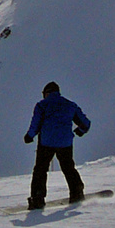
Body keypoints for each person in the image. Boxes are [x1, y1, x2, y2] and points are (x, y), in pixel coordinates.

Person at [24, 81, 90, 210]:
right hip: (65, 143)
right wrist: (79, 132)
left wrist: (29, 136)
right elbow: (85, 123)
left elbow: (35, 124)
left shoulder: (42, 105)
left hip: (46, 143)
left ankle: (38, 199)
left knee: (40, 170)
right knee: (68, 168)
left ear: (47, 93)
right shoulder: (70, 105)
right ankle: (77, 193)